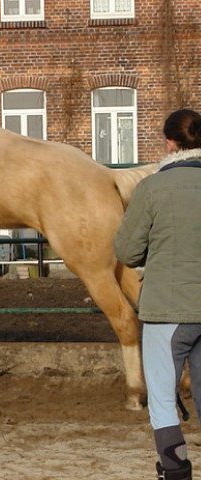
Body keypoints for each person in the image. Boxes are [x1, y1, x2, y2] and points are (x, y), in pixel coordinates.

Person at [114, 108, 201, 480]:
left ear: (169, 143)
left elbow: (127, 251)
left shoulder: (152, 187)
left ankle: (175, 469)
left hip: (169, 309)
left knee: (164, 398)